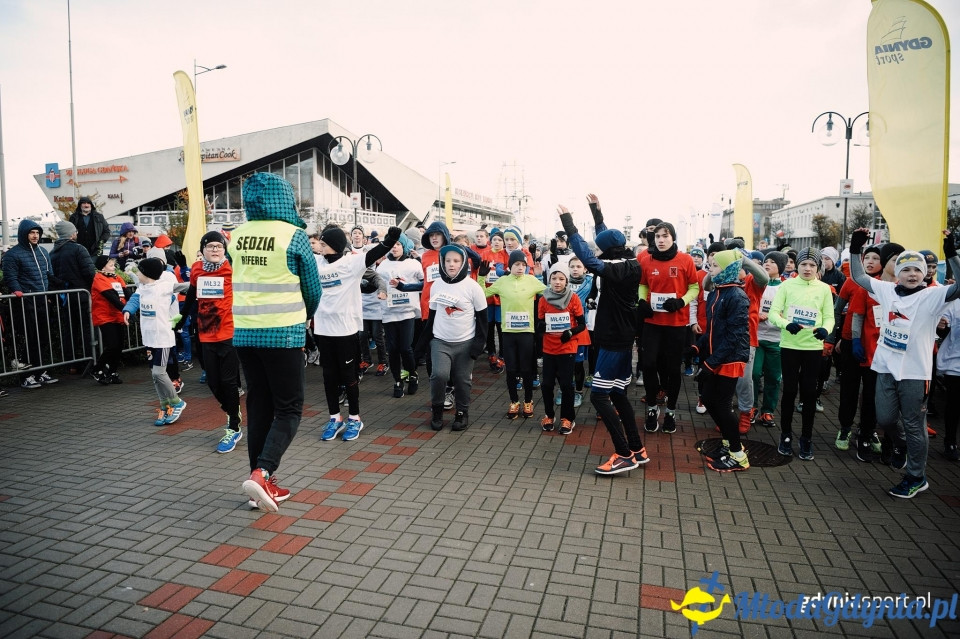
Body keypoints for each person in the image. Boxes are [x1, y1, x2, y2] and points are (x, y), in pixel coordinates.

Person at [848, 228, 960, 498]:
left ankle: (916, 477)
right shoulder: (886, 291)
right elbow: (859, 276)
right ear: (897, 272)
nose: (911, 274)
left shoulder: (933, 296)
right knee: (885, 418)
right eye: (906, 269)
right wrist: (855, 250)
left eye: (917, 270)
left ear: (925, 274)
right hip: (885, 366)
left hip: (914, 372)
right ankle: (900, 445)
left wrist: (952, 253)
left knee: (914, 425)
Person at [234, 172, 322, 513]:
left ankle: (259, 485)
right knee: (288, 409)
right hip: (283, 333)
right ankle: (264, 471)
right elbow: (312, 290)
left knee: (258, 407)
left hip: (244, 332)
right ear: (284, 198)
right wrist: (304, 314)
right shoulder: (294, 236)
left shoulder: (237, 235)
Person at [560, 197, 649, 475]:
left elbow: (586, 257)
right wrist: (596, 212)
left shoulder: (619, 268)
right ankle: (637, 448)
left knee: (599, 396)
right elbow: (604, 236)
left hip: (613, 340)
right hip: (619, 337)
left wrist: (569, 224)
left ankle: (623, 454)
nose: (597, 249)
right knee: (619, 393)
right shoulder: (623, 258)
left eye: (601, 247)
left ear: (609, 250)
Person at [314, 224, 402, 443]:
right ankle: (335, 418)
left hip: (345, 330)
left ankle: (354, 418)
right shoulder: (316, 263)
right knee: (328, 377)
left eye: (323, 244)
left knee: (348, 377)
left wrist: (389, 241)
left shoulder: (351, 263)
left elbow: (375, 253)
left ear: (334, 246)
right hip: (323, 328)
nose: (320, 248)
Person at [177, 231, 244, 454]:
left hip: (228, 333)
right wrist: (181, 318)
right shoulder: (197, 269)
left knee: (228, 382)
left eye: (219, 246)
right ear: (203, 249)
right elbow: (192, 295)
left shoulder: (232, 268)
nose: (215, 250)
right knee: (213, 383)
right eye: (210, 246)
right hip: (205, 334)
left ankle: (233, 426)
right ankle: (232, 410)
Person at [768, 247, 836, 461]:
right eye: (804, 264)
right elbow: (773, 313)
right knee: (789, 391)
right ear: (797, 266)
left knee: (809, 393)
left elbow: (829, 317)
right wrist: (787, 324)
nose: (808, 269)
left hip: (812, 348)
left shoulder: (824, 289)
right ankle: (785, 435)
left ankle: (806, 438)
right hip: (790, 346)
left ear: (819, 268)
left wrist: (826, 330)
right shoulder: (787, 285)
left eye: (812, 265)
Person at [417, 244, 488, 432]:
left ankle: (462, 413)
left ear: (464, 262)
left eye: (456, 261)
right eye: (447, 260)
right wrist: (421, 346)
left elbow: (483, 320)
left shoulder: (472, 287)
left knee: (462, 379)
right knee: (439, 375)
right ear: (442, 262)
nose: (451, 264)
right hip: (440, 341)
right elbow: (431, 318)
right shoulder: (436, 285)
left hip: (465, 342)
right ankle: (438, 411)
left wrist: (479, 344)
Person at [638, 221, 700, 434]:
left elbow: (694, 287)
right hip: (652, 323)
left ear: (673, 238)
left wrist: (681, 302)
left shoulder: (685, 259)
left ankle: (671, 412)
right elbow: (643, 284)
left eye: (665, 236)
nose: (661, 240)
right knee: (648, 365)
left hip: (676, 324)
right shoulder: (646, 259)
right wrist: (641, 301)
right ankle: (653, 408)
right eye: (658, 237)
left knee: (673, 370)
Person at [693, 250, 751, 471]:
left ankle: (738, 455)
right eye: (710, 265)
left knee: (723, 405)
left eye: (715, 266)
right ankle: (728, 443)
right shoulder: (718, 292)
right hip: (716, 356)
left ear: (729, 269)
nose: (710, 270)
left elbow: (735, 337)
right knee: (708, 398)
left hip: (729, 358)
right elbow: (713, 330)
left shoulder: (736, 296)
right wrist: (696, 346)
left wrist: (710, 363)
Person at [122, 257, 187, 427]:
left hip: (163, 339)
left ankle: (177, 402)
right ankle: (165, 407)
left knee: (159, 373)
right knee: (155, 376)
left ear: (147, 273)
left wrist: (203, 281)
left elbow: (186, 286)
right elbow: (134, 300)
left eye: (139, 270)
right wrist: (128, 311)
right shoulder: (142, 288)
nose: (137, 273)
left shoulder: (164, 287)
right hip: (149, 338)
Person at [480, 249, 545, 419]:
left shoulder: (531, 280)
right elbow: (481, 294)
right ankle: (514, 401)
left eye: (523, 265)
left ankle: (528, 401)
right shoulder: (502, 281)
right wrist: (481, 277)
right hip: (508, 332)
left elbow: (549, 293)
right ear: (510, 266)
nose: (520, 268)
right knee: (511, 370)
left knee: (527, 369)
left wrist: (539, 277)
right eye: (517, 264)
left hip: (526, 333)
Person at [1, 219, 59, 389]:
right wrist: (18, 292)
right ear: (24, 234)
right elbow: (10, 277)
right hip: (25, 302)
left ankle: (41, 371)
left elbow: (49, 274)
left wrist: (50, 294)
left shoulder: (43, 252)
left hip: (42, 301)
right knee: (29, 338)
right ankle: (26, 376)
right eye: (32, 233)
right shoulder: (13, 254)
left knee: (43, 337)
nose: (35, 236)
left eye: (37, 233)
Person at [537, 262, 587, 435]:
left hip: (567, 348)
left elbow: (582, 324)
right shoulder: (543, 299)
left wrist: (571, 332)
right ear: (549, 279)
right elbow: (540, 322)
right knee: (547, 385)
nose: (557, 282)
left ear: (566, 280)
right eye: (554, 278)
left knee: (566, 384)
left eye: (561, 278)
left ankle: (568, 418)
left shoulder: (573, 298)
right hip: (549, 348)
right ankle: (549, 416)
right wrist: (541, 326)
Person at [378, 233, 423, 397]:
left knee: (405, 348)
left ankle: (412, 375)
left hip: (407, 312)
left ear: (403, 246)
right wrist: (381, 292)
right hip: (389, 312)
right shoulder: (382, 265)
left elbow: (424, 283)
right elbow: (379, 285)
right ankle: (397, 380)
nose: (394, 247)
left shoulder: (413, 264)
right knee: (393, 349)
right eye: (392, 244)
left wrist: (406, 286)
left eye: (398, 244)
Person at [50, 219, 96, 368]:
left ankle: (71, 364)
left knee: (69, 330)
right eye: (74, 231)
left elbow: (52, 276)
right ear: (70, 234)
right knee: (87, 329)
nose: (77, 233)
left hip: (65, 297)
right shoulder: (79, 249)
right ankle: (90, 361)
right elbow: (90, 273)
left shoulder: (53, 253)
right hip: (82, 295)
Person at [753, 251, 787, 429]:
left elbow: (790, 312)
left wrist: (778, 316)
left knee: (773, 378)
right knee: (754, 374)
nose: (767, 264)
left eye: (773, 262)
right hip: (757, 337)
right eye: (766, 261)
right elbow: (751, 304)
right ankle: (751, 408)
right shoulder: (758, 283)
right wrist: (757, 315)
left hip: (777, 339)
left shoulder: (786, 287)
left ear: (780, 268)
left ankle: (768, 411)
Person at [90, 256, 127, 385]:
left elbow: (127, 293)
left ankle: (112, 371)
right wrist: (127, 310)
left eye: (113, 264)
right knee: (112, 345)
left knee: (119, 346)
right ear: (102, 266)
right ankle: (97, 369)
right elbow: (112, 298)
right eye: (110, 264)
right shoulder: (99, 279)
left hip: (118, 316)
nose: (113, 266)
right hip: (104, 316)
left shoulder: (117, 278)